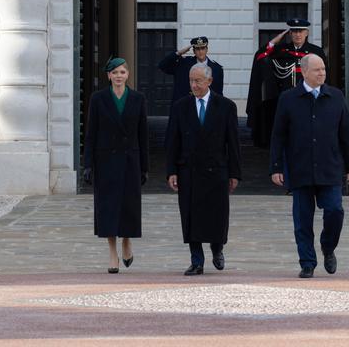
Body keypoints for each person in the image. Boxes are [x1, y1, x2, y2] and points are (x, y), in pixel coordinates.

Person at [270, 53, 349, 279]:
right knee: (302, 220)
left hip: (330, 167)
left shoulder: (336, 97)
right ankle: (307, 262)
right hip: (300, 168)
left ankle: (328, 248)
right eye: (317, 70)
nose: (322, 73)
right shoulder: (288, 99)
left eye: (324, 69)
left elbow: (346, 134)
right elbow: (278, 136)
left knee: (334, 211)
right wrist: (276, 167)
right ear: (304, 72)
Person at [166, 64, 241, 276]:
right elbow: (173, 141)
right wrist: (171, 170)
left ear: (209, 81)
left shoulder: (226, 106)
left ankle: (217, 248)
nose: (194, 85)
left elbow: (233, 143)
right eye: (191, 80)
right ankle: (196, 260)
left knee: (217, 215)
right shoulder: (180, 107)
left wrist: (235, 173)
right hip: (188, 169)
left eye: (198, 81)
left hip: (216, 170)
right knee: (191, 216)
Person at [83, 57, 149, 274]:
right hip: (106, 161)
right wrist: (88, 164)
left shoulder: (138, 99)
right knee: (108, 208)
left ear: (127, 74)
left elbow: (143, 135)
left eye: (122, 72)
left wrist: (144, 166)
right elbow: (91, 133)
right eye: (115, 72)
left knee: (128, 206)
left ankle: (127, 241)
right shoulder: (98, 99)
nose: (119, 76)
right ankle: (112, 252)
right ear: (108, 76)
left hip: (130, 159)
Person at [246, 17, 327, 147]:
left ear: (306, 33)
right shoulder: (281, 51)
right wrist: (273, 42)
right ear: (289, 34)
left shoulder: (315, 52)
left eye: (301, 31)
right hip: (285, 100)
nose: (298, 34)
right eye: (294, 31)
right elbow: (260, 57)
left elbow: (323, 77)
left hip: (309, 100)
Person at [158, 36, 224, 108]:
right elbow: (162, 66)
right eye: (197, 49)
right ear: (194, 51)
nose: (200, 51)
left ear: (207, 49)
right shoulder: (183, 64)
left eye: (203, 48)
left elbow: (219, 94)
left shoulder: (217, 69)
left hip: (207, 108)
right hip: (185, 108)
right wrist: (179, 53)